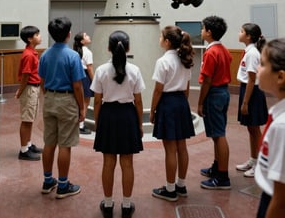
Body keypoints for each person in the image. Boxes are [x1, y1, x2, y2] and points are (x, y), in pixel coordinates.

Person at [91, 30, 145, 218]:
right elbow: (138, 101)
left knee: (108, 162)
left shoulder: (100, 70)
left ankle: (107, 204)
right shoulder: (135, 70)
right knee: (127, 163)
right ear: (128, 48)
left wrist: (98, 123)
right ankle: (127, 205)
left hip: (108, 115)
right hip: (128, 115)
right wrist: (139, 125)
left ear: (108, 48)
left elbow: (97, 101)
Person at [38, 17, 86, 199]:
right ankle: (63, 186)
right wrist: (81, 108)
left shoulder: (45, 55)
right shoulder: (73, 56)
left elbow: (41, 82)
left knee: (49, 142)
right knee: (65, 144)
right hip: (67, 101)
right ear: (68, 34)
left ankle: (48, 180)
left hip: (49, 98)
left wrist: (49, 95)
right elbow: (77, 86)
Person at [150, 25, 195, 202]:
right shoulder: (185, 58)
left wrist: (153, 110)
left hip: (167, 103)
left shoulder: (163, 62)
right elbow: (187, 86)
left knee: (170, 149)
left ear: (167, 42)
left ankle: (169, 190)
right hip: (181, 102)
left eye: (161, 37)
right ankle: (181, 185)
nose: (159, 39)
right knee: (181, 146)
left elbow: (158, 90)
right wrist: (183, 104)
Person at [198, 15, 232, 189]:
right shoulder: (224, 50)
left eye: (203, 28)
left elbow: (207, 80)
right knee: (217, 133)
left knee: (219, 136)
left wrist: (200, 102)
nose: (201, 31)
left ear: (209, 32)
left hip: (214, 94)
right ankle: (217, 167)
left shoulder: (211, 52)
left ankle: (223, 177)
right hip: (224, 93)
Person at [255, 38, 285, 218]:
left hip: (274, 201)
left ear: (280, 76)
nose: (257, 69)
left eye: (262, 64)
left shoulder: (282, 127)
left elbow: (281, 201)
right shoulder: (277, 116)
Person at [236, 23, 268, 177]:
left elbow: (251, 79)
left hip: (252, 93)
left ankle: (260, 164)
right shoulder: (248, 51)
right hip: (248, 90)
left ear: (248, 36)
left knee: (255, 130)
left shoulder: (252, 53)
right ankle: (253, 159)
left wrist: (245, 102)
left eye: (241, 31)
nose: (239, 33)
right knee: (250, 128)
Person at [15, 25, 43, 161]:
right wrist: (20, 91)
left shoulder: (32, 53)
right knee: (26, 119)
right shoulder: (28, 55)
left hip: (34, 88)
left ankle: (28, 144)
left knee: (30, 118)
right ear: (29, 39)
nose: (40, 37)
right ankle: (23, 150)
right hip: (29, 88)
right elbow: (25, 75)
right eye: (37, 35)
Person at [73, 31, 94, 134]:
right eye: (86, 36)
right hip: (85, 77)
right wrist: (94, 82)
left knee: (78, 102)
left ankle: (76, 123)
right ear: (82, 41)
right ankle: (81, 125)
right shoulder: (88, 52)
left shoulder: (75, 51)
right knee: (85, 103)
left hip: (76, 77)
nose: (88, 36)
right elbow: (90, 69)